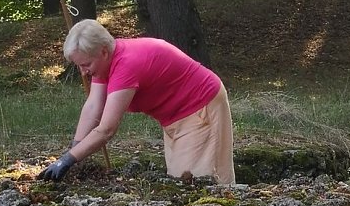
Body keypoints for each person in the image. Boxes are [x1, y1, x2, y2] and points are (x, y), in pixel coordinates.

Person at [37, 20, 234, 184]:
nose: (83, 72)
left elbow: (106, 129)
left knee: (198, 182)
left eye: (86, 64)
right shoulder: (104, 62)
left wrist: (68, 160)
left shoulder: (126, 65)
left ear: (103, 52)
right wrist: (74, 150)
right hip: (176, 117)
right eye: (79, 66)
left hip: (201, 108)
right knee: (180, 179)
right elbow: (93, 105)